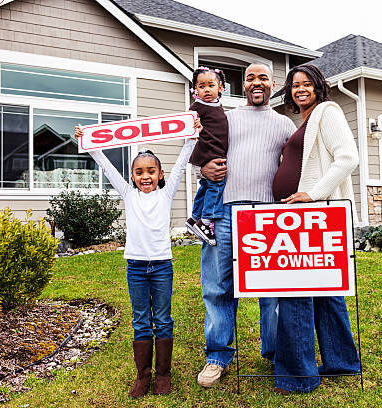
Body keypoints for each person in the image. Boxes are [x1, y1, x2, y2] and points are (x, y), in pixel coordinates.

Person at [74, 124, 198, 397]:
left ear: (160, 175)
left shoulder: (166, 194)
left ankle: (163, 375)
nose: (145, 176)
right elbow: (107, 168)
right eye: (139, 172)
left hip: (162, 266)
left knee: (163, 320)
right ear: (131, 176)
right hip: (136, 268)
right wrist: (90, 144)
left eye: (151, 171)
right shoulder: (128, 194)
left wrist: (191, 137)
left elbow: (181, 164)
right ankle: (143, 376)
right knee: (141, 320)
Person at [196, 63, 297, 388]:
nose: (257, 83)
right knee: (218, 287)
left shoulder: (284, 124)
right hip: (224, 211)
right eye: (250, 78)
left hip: (268, 216)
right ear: (243, 84)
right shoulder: (228, 117)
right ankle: (217, 358)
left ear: (273, 84)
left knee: (272, 290)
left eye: (263, 78)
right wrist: (203, 169)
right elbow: (203, 151)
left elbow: (299, 163)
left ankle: (275, 352)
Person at [271, 64, 362, 393]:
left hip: (313, 217)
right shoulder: (306, 121)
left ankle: (298, 377)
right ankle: (342, 363)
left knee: (295, 292)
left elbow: (348, 158)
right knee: (326, 291)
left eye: (307, 83)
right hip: (307, 219)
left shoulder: (328, 111)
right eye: (295, 85)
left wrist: (313, 193)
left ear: (319, 87)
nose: (300, 89)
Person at [185, 66, 229, 246]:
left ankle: (194, 218)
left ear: (220, 87)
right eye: (201, 86)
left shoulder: (217, 105)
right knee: (217, 185)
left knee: (205, 187)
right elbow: (186, 123)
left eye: (211, 85)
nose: (206, 89)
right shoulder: (197, 106)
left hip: (210, 153)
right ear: (196, 90)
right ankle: (206, 221)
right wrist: (192, 122)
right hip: (207, 154)